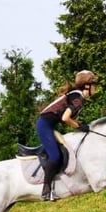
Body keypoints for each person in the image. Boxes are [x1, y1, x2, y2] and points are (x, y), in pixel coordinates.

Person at [35, 70, 98, 200]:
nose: (95, 88)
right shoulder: (78, 98)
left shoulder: (76, 96)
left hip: (49, 125)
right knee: (55, 155)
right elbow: (65, 118)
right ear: (87, 86)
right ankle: (46, 189)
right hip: (44, 125)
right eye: (94, 85)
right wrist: (79, 126)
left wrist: (78, 124)